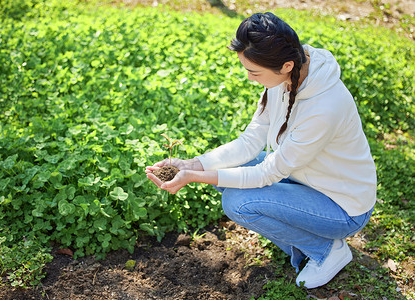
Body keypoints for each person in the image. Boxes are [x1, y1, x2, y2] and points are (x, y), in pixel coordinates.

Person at [145, 12, 376, 289]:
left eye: (254, 72)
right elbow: (250, 141)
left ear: (287, 64)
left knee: (238, 203)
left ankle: (326, 250)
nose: (249, 78)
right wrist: (195, 164)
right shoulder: (285, 77)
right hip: (306, 179)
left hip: (342, 207)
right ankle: (302, 241)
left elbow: (268, 172)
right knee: (225, 176)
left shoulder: (324, 107)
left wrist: (195, 177)